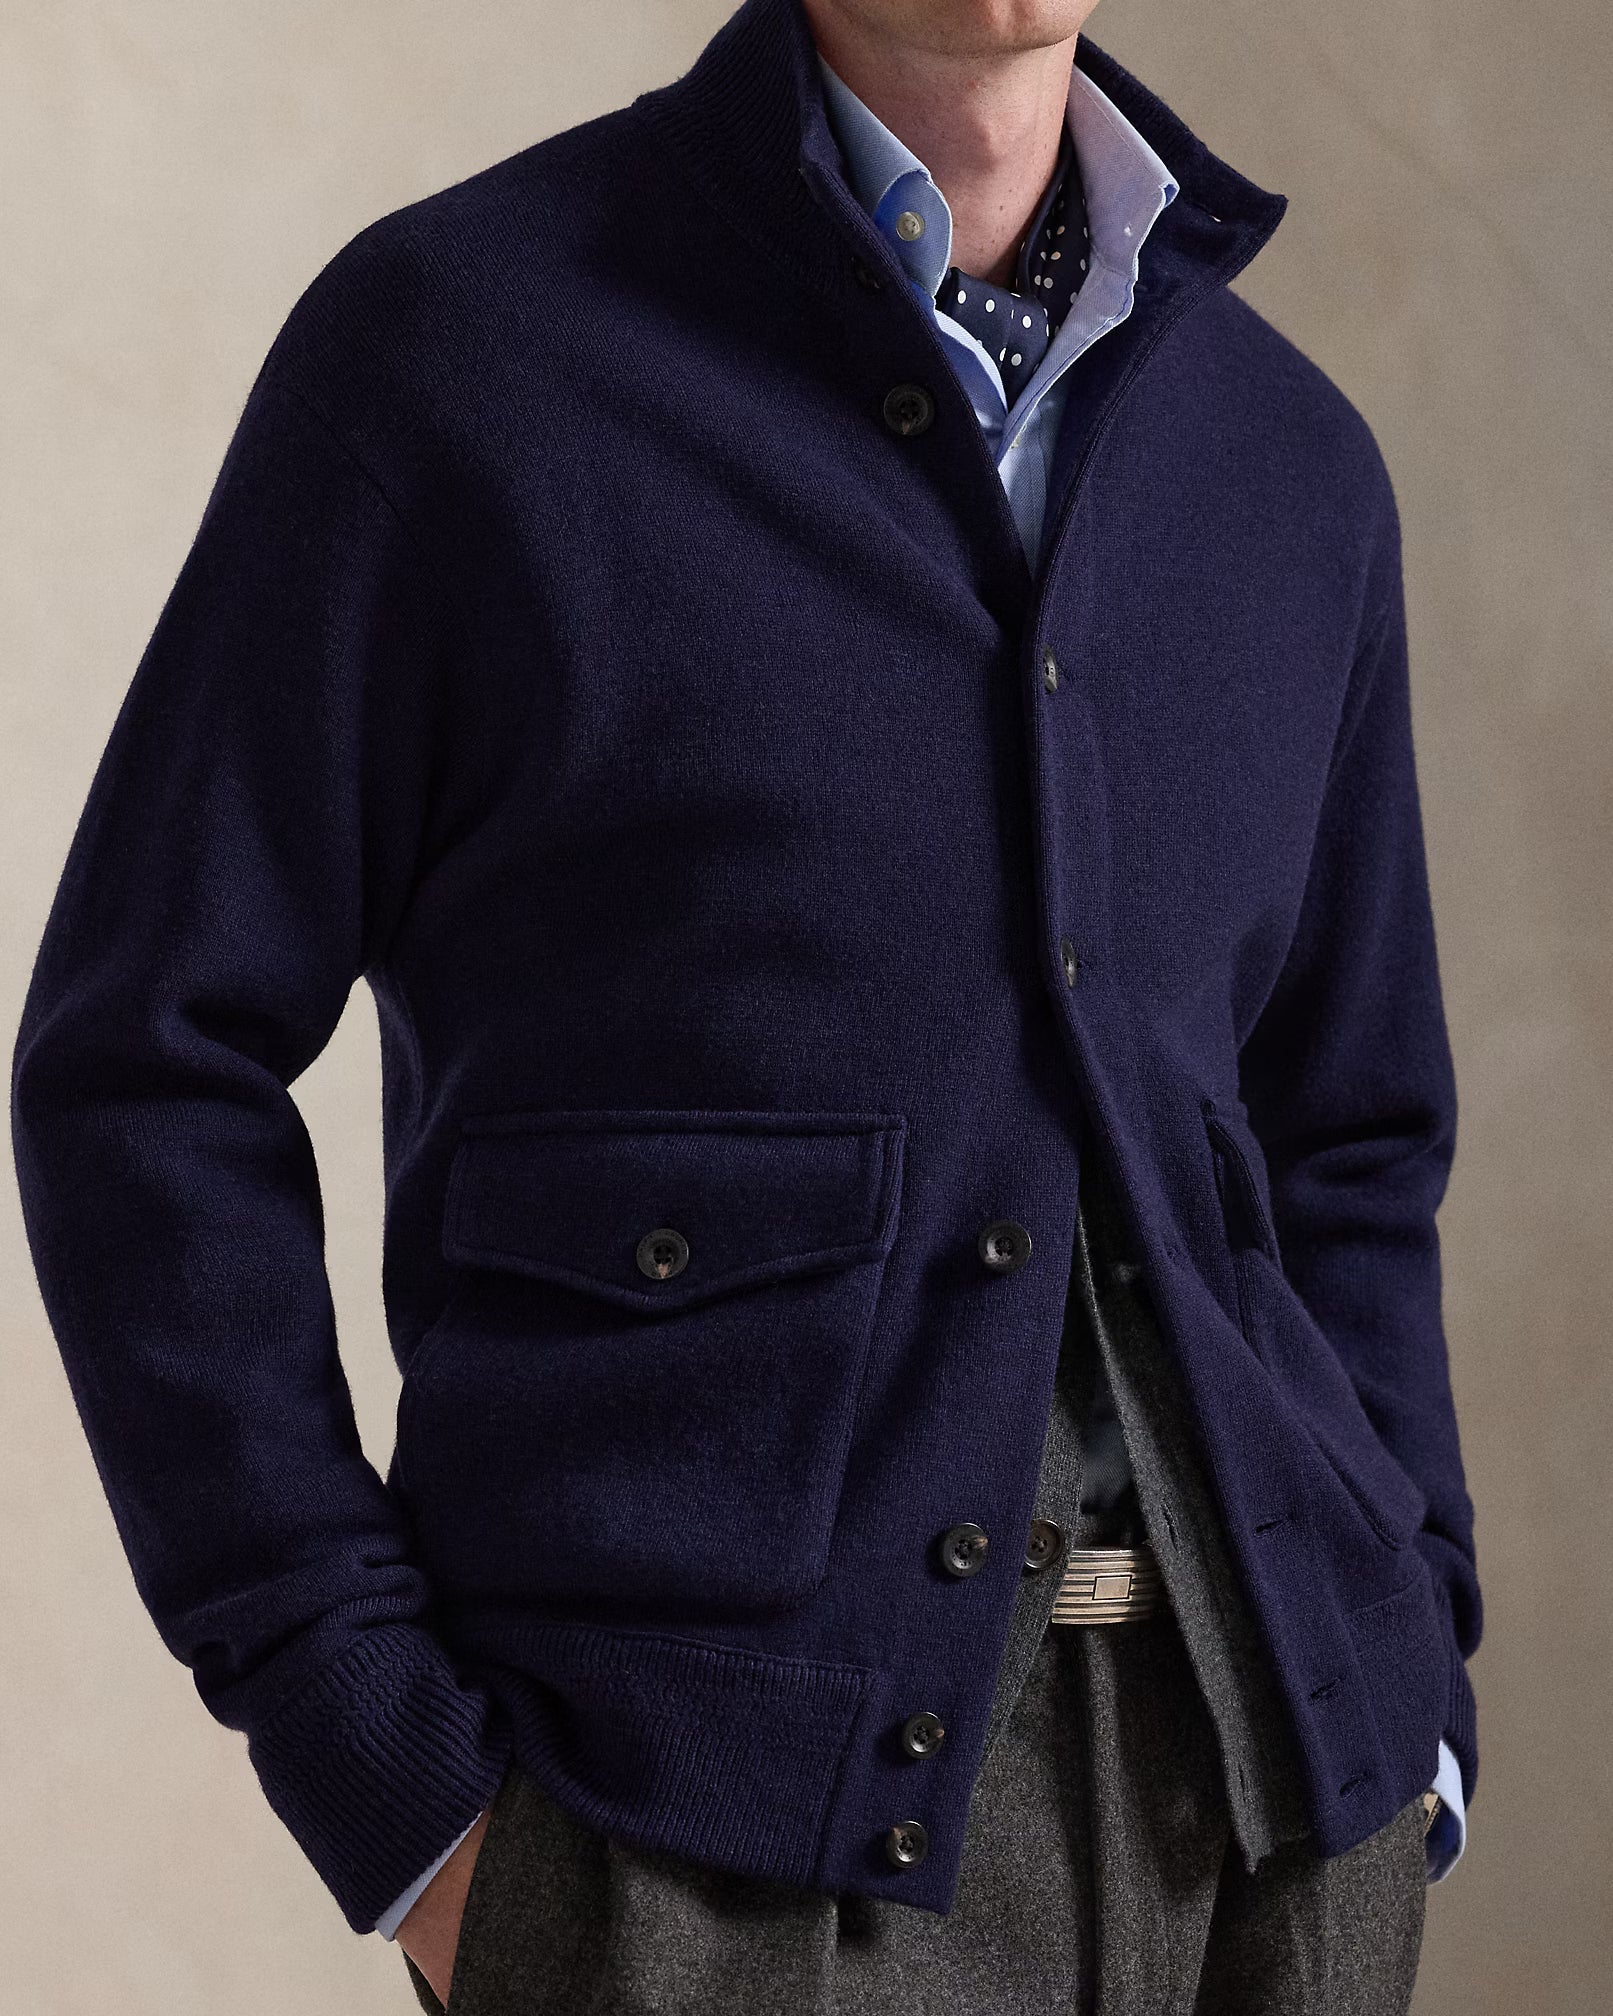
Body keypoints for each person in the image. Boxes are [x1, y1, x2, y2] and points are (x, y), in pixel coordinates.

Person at [9, 0, 1481, 2009]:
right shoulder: (459, 355)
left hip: (1291, 1811)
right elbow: (142, 1067)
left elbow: (1353, 1137)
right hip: (697, 1853)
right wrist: (390, 1778)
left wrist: (1424, 1679)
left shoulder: (1293, 465)